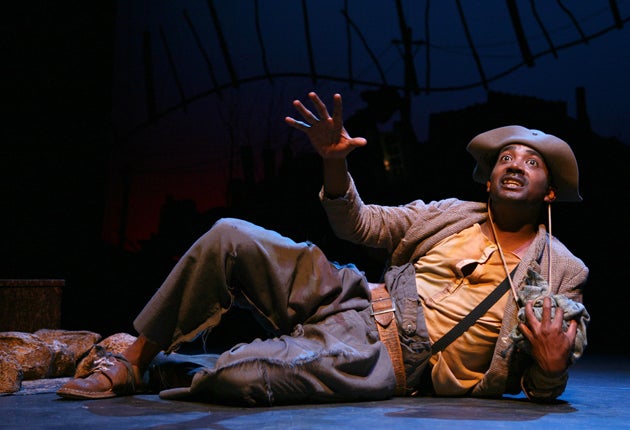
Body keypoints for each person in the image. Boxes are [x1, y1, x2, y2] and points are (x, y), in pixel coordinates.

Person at [57, 92, 589, 405]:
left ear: (549, 193)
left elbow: (544, 381)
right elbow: (360, 224)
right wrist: (335, 163)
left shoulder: (560, 269)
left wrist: (550, 369)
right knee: (230, 235)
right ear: (489, 179)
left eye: (531, 162)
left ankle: (180, 369)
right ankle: (134, 360)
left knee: (242, 378)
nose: (514, 165)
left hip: (384, 358)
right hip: (353, 294)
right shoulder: (449, 214)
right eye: (505, 159)